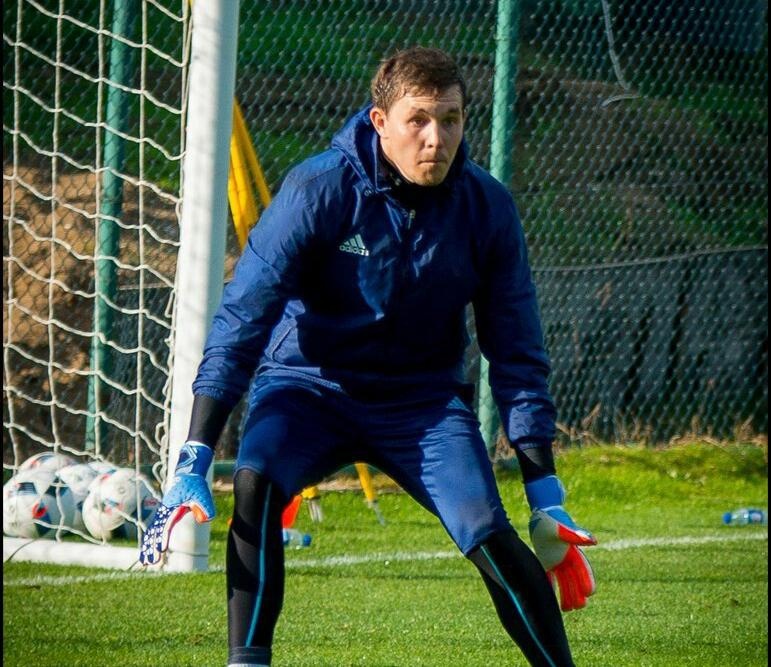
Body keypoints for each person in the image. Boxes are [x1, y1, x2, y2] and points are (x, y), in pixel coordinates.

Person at [140, 46, 597, 667]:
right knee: (255, 481)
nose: (437, 138)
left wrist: (545, 493)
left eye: (452, 119)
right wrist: (196, 451)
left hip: (422, 407)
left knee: (487, 530)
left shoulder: (486, 207)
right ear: (380, 122)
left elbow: (516, 347)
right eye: (419, 120)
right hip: (307, 390)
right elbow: (244, 317)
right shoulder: (317, 189)